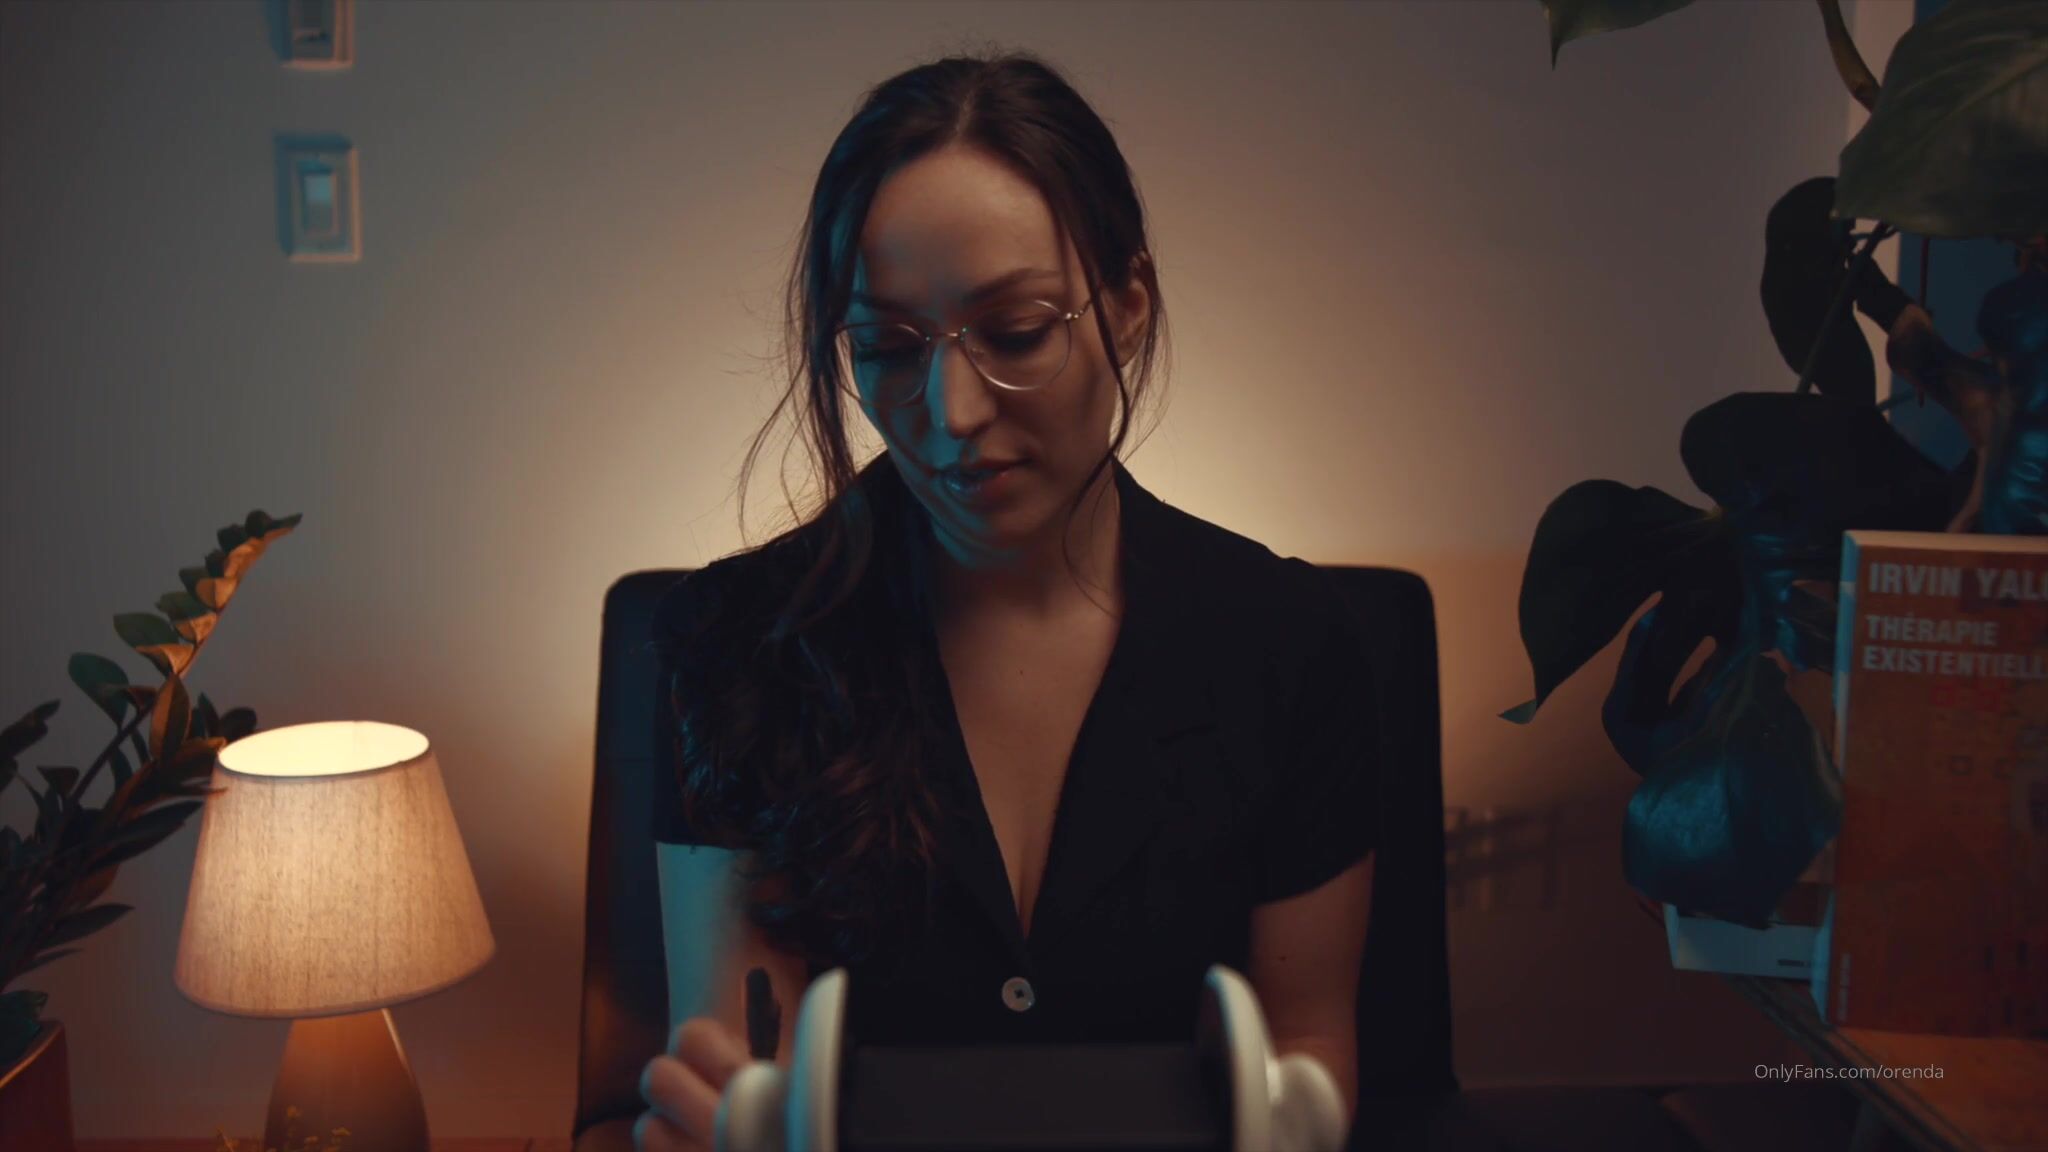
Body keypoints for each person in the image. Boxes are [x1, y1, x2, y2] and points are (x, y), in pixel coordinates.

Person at [635, 47, 1380, 1152]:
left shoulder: (1291, 647)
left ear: (1127, 308)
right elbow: (743, 1062)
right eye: (887, 347)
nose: (951, 412)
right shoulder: (737, 643)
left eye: (1017, 331)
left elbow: (1305, 1050)